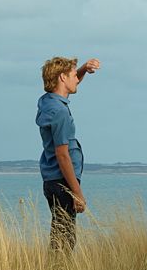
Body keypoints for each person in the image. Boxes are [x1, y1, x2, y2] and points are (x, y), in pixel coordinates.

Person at [36, 54, 100, 253]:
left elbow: (70, 86)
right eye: (73, 75)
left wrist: (82, 70)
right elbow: (62, 155)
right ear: (62, 78)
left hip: (52, 179)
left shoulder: (47, 102)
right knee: (64, 240)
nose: (76, 79)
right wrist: (77, 193)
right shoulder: (60, 112)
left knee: (60, 234)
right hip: (63, 182)